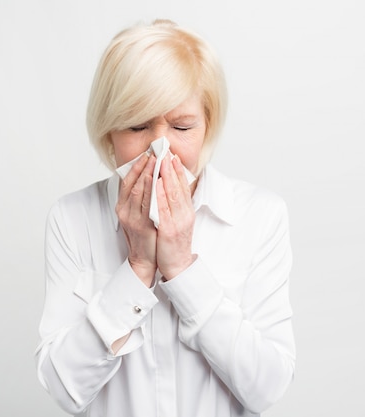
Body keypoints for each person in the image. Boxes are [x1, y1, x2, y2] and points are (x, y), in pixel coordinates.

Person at [35, 19, 295, 417]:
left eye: (181, 126)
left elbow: (267, 387)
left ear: (206, 127)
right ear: (108, 132)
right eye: (137, 125)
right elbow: (65, 388)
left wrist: (182, 270)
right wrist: (138, 267)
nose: (159, 149)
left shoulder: (259, 216)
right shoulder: (72, 218)